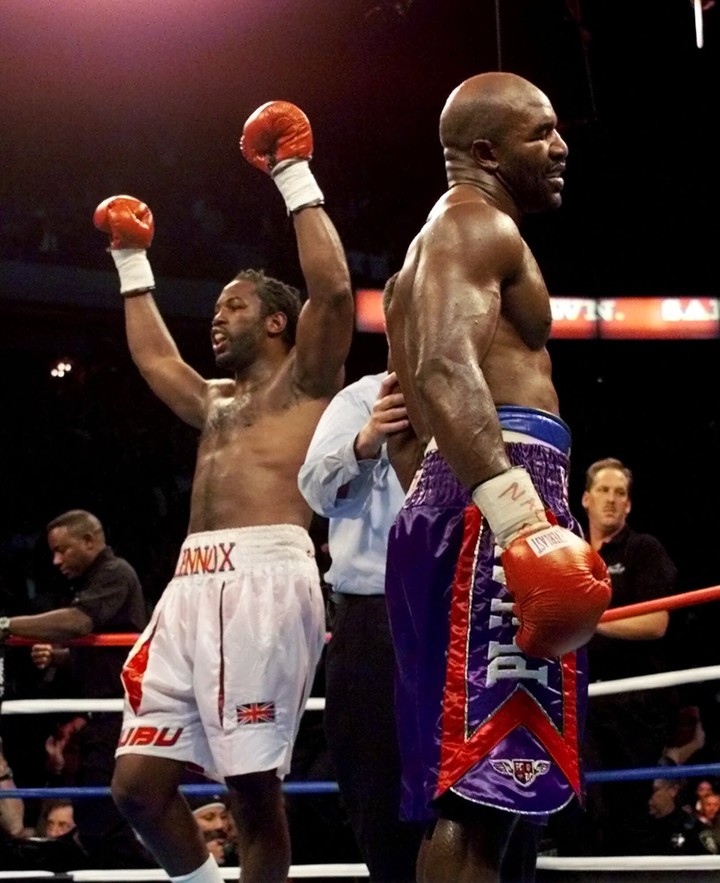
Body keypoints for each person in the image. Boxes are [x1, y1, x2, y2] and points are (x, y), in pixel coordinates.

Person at [94, 100, 355, 883]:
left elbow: (335, 290)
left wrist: (291, 172)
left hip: (267, 577)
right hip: (189, 584)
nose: (217, 319)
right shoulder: (215, 402)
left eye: (233, 307)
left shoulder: (307, 382)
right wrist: (131, 259)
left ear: (278, 323)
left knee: (251, 792)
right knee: (136, 787)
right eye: (213, 310)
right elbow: (152, 360)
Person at [382, 71, 612, 883]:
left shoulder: (433, 250)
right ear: (485, 150)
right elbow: (444, 372)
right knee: (478, 796)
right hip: (499, 502)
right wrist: (519, 523)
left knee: (505, 789)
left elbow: (406, 422)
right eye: (540, 133)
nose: (561, 147)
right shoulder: (474, 225)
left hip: (467, 498)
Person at [298, 364, 424, 882]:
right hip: (376, 616)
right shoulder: (362, 397)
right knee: (374, 785)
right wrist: (367, 440)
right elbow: (315, 490)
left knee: (474, 791)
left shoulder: (488, 392)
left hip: (466, 612)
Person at [0, 509, 150, 868]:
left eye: (62, 550)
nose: (56, 560)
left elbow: (78, 622)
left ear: (89, 541)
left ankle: (156, 876)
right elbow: (107, 655)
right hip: (102, 715)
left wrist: (6, 625)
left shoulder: (114, 573)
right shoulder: (92, 582)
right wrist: (62, 659)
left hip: (119, 715)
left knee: (103, 825)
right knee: (95, 820)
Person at [557, 457, 680, 856]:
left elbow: (656, 622)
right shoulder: (569, 552)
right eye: (604, 491)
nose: (611, 500)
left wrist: (589, 622)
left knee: (628, 810)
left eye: (620, 493)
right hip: (580, 698)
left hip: (632, 704)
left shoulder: (643, 548)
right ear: (586, 499)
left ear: (628, 505)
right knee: (583, 803)